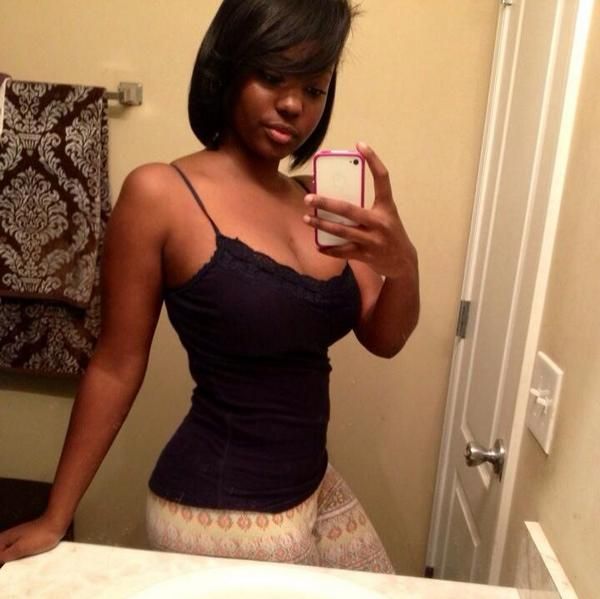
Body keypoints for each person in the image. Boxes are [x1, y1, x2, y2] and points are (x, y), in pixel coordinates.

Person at [0, 0, 419, 573]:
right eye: (272, 75)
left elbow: (385, 338)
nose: (293, 104)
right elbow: (116, 365)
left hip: (314, 482)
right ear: (229, 67)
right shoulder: (161, 194)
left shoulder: (316, 202)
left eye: (314, 88)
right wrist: (56, 516)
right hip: (220, 505)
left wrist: (404, 263)